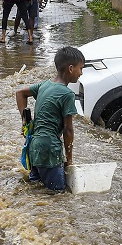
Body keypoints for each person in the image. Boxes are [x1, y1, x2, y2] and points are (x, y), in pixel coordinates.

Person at [15, 47, 85, 194]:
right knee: (58, 195)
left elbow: (20, 93)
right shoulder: (67, 94)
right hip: (49, 150)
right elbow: (68, 130)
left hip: (34, 148)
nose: (81, 73)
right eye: (80, 68)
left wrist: (25, 123)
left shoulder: (44, 85)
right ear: (71, 69)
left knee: (37, 191)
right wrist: (69, 160)